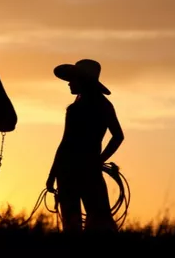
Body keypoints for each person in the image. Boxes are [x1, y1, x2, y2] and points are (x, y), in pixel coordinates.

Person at [46, 59, 124, 232]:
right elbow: (118, 136)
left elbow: (66, 142)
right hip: (89, 171)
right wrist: (98, 160)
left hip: (69, 171)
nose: (69, 83)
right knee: (100, 221)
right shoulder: (103, 105)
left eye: (72, 79)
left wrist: (53, 174)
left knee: (72, 222)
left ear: (83, 81)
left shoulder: (77, 108)